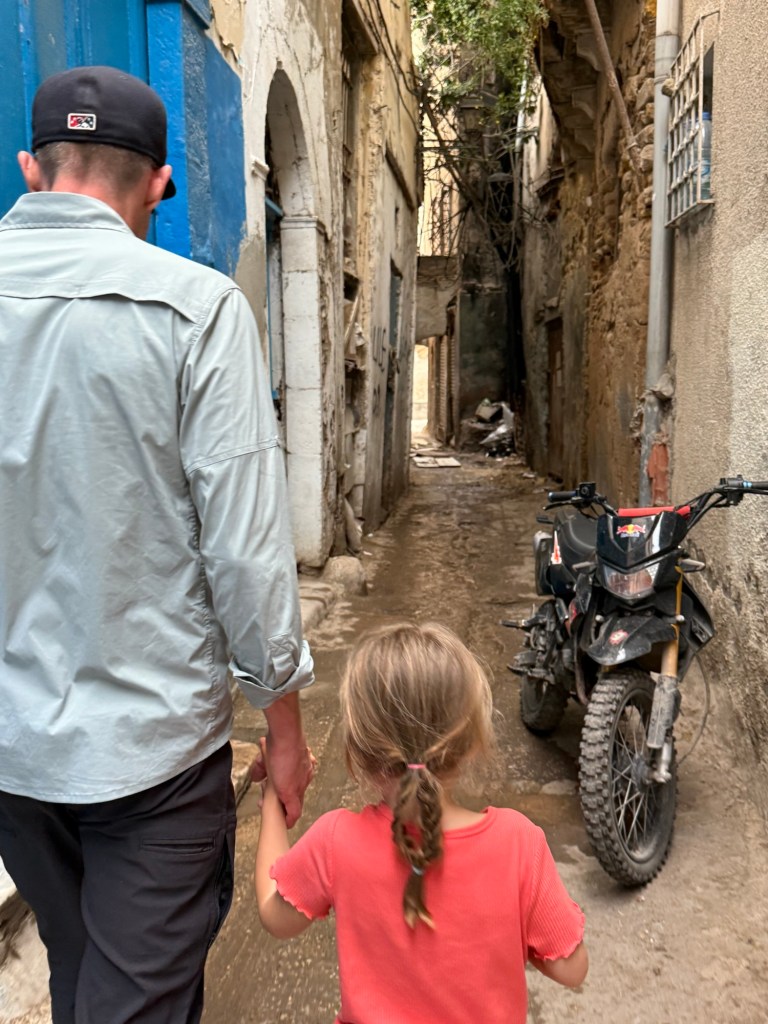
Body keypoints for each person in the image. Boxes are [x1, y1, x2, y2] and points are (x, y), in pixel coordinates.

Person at [0, 65, 315, 1023]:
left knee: (77, 965)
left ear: (30, 168)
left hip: (14, 758)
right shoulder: (198, 311)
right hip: (156, 761)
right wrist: (286, 729)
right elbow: (246, 555)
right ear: (159, 184)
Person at [255, 621, 587, 1024]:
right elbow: (572, 968)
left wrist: (273, 797)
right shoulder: (519, 843)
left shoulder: (335, 839)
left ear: (359, 753)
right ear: (470, 745)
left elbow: (275, 914)